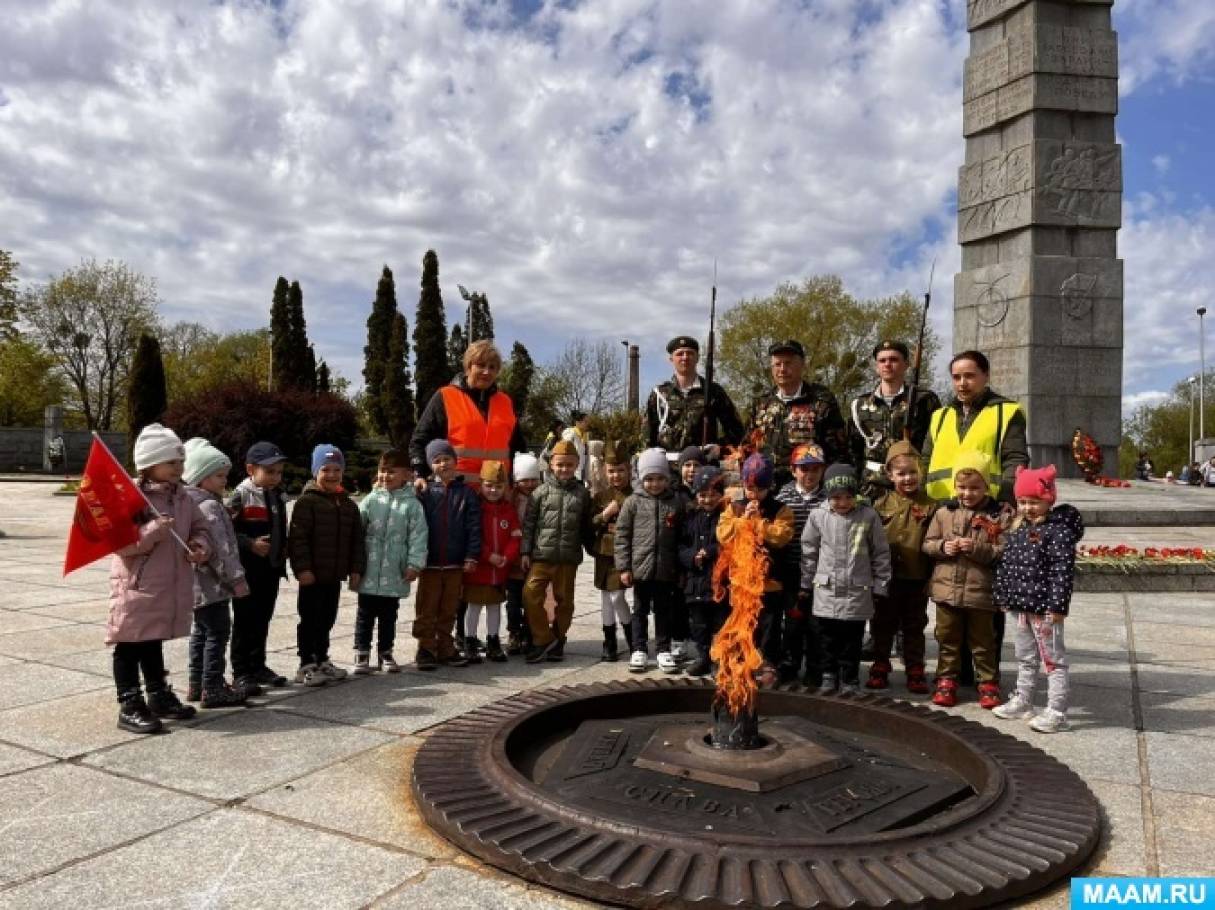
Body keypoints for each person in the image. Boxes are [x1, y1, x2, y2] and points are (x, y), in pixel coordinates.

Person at [107, 423, 209, 734]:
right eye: (171, 462)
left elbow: (200, 527)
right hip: (137, 587)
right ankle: (129, 701)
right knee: (128, 645)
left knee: (152, 642)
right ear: (149, 465)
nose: (179, 468)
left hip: (166, 585)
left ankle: (158, 693)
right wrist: (152, 532)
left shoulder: (184, 498)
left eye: (181, 462)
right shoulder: (133, 499)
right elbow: (119, 542)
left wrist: (199, 546)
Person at [993, 465, 1084, 733]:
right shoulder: (1019, 529)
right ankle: (1023, 700)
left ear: (1048, 500)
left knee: (1052, 660)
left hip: (1044, 609)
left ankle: (1056, 710)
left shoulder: (1058, 532)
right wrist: (1003, 594)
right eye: (1022, 502)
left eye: (1034, 502)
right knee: (1024, 656)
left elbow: (1061, 571)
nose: (1028, 507)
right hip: (1020, 607)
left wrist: (1057, 606)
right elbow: (1007, 565)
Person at [921, 450, 1010, 709]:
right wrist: (943, 547)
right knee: (947, 639)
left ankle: (988, 683)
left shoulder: (998, 516)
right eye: (961, 487)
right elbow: (928, 544)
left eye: (974, 488)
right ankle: (947, 681)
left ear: (986, 487)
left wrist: (976, 549)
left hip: (980, 593)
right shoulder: (943, 513)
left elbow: (1002, 551)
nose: (967, 493)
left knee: (983, 643)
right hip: (946, 591)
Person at [800, 464, 891, 694]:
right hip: (826, 589)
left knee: (852, 638)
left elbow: (880, 552)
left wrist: (881, 584)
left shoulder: (868, 516)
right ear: (828, 496)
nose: (842, 503)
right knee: (827, 639)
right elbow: (809, 550)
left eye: (848, 497)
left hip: (857, 589)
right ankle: (829, 675)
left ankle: (850, 678)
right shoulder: (818, 515)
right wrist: (806, 582)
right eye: (836, 498)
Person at [288, 444, 365, 687]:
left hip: (334, 575)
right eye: (325, 469)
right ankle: (306, 663)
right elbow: (297, 540)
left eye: (336, 470)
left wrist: (355, 569)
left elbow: (357, 541)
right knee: (309, 618)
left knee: (328, 618)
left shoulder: (348, 505)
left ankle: (322, 659)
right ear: (315, 472)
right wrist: (302, 569)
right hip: (312, 575)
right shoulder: (306, 502)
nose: (332, 475)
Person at [717, 452, 795, 685]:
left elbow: (782, 536)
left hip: (770, 582)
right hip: (741, 583)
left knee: (769, 626)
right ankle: (741, 662)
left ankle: (767, 663)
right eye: (750, 489)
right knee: (743, 625)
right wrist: (743, 521)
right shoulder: (734, 507)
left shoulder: (781, 509)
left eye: (760, 490)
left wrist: (759, 524)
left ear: (769, 486)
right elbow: (723, 535)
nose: (754, 494)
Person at [183, 438, 249, 709]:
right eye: (219, 476)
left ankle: (196, 684)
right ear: (200, 477)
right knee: (218, 633)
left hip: (197, 587)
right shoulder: (209, 507)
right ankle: (213, 686)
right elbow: (222, 550)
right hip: (214, 585)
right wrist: (237, 580)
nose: (225, 481)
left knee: (201, 633)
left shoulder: (192, 503)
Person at [867, 441, 937, 694]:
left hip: (917, 576)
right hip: (887, 578)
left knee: (914, 626)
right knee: (882, 623)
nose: (908, 478)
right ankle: (880, 665)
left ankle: (915, 669)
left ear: (921, 472)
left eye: (913, 472)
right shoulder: (880, 505)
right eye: (901, 473)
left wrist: (932, 578)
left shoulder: (932, 506)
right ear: (890, 475)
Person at [409, 339, 528, 485]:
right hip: (456, 494)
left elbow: (518, 447)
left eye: (492, 367)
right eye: (481, 365)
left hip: (496, 495)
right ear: (468, 367)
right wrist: (419, 473)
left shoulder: (505, 402)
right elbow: (420, 440)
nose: (487, 372)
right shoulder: (445, 396)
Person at [354, 449, 427, 674]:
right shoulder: (371, 500)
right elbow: (357, 531)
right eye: (382, 471)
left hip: (395, 570)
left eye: (391, 471)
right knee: (365, 614)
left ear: (406, 475)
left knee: (388, 615)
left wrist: (414, 564)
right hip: (369, 569)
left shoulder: (412, 505)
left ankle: (386, 652)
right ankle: (361, 652)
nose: (385, 476)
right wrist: (354, 565)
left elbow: (418, 536)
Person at [923, 350, 1028, 504]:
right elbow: (925, 460)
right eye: (956, 377)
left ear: (986, 376)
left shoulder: (1006, 412)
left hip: (987, 506)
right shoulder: (940, 415)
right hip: (939, 506)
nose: (962, 383)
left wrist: (1006, 499)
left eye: (969, 376)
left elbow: (1015, 460)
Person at [521, 439, 593, 663]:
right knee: (531, 594)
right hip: (542, 555)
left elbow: (586, 526)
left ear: (577, 465)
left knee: (565, 602)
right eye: (560, 464)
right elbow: (529, 525)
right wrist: (525, 552)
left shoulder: (582, 494)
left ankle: (559, 639)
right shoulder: (539, 493)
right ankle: (543, 638)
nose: (564, 469)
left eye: (569, 465)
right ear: (551, 464)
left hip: (567, 558)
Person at [227, 441, 290, 692]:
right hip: (247, 570)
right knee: (245, 620)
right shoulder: (240, 496)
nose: (275, 477)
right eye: (270, 471)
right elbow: (227, 531)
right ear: (251, 469)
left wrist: (283, 546)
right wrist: (250, 544)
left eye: (279, 471)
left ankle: (258, 665)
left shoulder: (276, 494)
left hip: (270, 569)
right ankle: (241, 671)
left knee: (263, 619)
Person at [414, 439, 481, 669]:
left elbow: (474, 527)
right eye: (437, 460)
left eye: (447, 459)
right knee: (427, 608)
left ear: (455, 461)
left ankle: (445, 647)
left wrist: (472, 555)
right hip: (430, 563)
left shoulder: (466, 493)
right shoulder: (424, 492)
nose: (443, 464)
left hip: (455, 563)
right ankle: (425, 648)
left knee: (449, 609)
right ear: (431, 465)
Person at [617, 448, 684, 674]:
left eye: (659, 479)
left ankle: (663, 648)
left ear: (667, 478)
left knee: (664, 610)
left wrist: (679, 566)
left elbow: (682, 536)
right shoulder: (632, 502)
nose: (655, 484)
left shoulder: (675, 503)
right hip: (640, 568)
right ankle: (639, 648)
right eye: (649, 479)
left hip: (666, 568)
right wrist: (624, 567)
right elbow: (622, 536)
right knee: (640, 610)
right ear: (641, 479)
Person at [746, 339, 848, 488]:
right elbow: (747, 446)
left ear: (802, 365)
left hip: (807, 488)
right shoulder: (761, 403)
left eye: (788, 363)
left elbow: (837, 451)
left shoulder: (822, 400)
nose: (782, 369)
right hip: (767, 488)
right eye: (777, 364)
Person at [849, 340, 941, 498]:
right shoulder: (860, 405)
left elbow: (936, 444)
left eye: (894, 359)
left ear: (906, 364)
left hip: (912, 485)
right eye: (882, 360)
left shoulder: (925, 400)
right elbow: (853, 449)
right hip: (872, 487)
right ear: (876, 367)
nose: (887, 364)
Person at [775, 444, 827, 685]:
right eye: (804, 469)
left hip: (820, 571)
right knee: (793, 621)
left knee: (816, 624)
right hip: (791, 569)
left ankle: (816, 667)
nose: (810, 474)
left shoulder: (828, 498)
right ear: (793, 470)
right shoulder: (782, 497)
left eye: (816, 469)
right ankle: (790, 663)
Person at [463, 460, 521, 663]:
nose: (493, 490)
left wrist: (508, 556)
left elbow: (515, 536)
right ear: (481, 484)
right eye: (489, 485)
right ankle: (469, 640)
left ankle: (493, 640)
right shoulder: (476, 509)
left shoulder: (509, 510)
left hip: (500, 571)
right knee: (475, 606)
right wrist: (487, 555)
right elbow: (472, 536)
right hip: (479, 570)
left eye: (498, 486)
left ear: (505, 487)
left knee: (495, 607)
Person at [644, 336, 744, 452]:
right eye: (680, 354)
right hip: (666, 465)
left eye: (690, 353)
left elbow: (737, 431)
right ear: (671, 359)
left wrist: (720, 449)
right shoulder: (659, 394)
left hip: (703, 464)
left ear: (697, 358)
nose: (685, 357)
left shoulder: (713, 391)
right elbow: (647, 437)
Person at [679, 465, 726, 677]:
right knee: (698, 624)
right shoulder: (689, 517)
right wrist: (691, 557)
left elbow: (728, 544)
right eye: (703, 495)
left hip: (717, 582)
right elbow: (680, 546)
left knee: (719, 624)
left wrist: (709, 551)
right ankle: (703, 656)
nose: (707, 500)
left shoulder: (725, 517)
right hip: (695, 580)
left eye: (713, 495)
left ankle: (718, 658)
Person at [591, 441, 633, 661]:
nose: (616, 475)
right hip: (603, 553)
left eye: (620, 470)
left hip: (623, 554)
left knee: (617, 597)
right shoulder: (600, 497)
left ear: (629, 470)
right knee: (606, 598)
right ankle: (609, 642)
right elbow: (590, 525)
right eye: (611, 471)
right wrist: (604, 515)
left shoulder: (635, 496)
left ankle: (631, 632)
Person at [505, 452, 542, 654]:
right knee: (513, 601)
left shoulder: (541, 496)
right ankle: (514, 632)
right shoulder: (511, 500)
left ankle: (530, 632)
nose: (529, 484)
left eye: (533, 480)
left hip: (535, 557)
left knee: (532, 599)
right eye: (524, 480)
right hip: (514, 559)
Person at [561, 410, 591, 481]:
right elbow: (565, 449)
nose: (587, 424)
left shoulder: (585, 435)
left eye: (588, 422)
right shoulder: (570, 432)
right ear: (578, 422)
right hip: (572, 469)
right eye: (585, 421)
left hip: (582, 468)